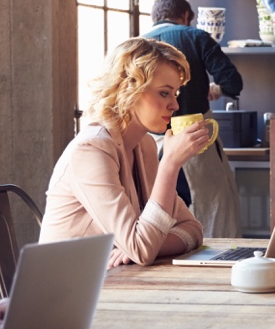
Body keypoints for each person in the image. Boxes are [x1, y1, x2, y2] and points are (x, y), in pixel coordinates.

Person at [39, 37, 207, 268]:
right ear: (129, 89)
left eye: (175, 94)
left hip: (110, 281)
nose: (175, 106)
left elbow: (193, 230)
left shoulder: (144, 145)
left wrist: (146, 245)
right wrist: (170, 164)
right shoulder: (91, 150)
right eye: (164, 93)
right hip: (68, 292)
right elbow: (141, 250)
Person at [144, 0, 244, 238]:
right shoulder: (196, 37)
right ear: (186, 16)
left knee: (160, 211)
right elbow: (233, 83)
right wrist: (215, 90)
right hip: (197, 139)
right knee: (214, 206)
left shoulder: (138, 44)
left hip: (151, 144)